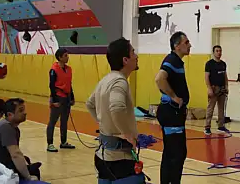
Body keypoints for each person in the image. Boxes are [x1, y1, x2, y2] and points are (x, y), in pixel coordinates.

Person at [86, 37, 144, 183]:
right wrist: (126, 133)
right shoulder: (120, 82)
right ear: (125, 60)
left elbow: (89, 104)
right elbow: (116, 107)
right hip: (119, 160)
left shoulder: (105, 80)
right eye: (133, 52)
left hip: (103, 157)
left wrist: (104, 123)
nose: (136, 56)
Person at [155, 31, 191, 184]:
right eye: (186, 42)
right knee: (176, 153)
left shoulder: (177, 61)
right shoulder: (171, 60)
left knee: (173, 152)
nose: (189, 45)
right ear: (177, 46)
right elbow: (159, 79)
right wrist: (174, 97)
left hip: (175, 113)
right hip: (171, 113)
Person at [0, 98, 42, 181]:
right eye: (21, 110)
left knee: (26, 162)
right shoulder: (6, 127)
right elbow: (15, 154)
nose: (25, 113)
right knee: (33, 171)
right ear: (9, 114)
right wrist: (29, 177)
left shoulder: (12, 128)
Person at [47, 48, 76, 152]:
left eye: (67, 55)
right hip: (58, 96)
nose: (67, 57)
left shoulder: (69, 69)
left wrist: (72, 96)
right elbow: (51, 85)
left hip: (67, 97)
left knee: (64, 121)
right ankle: (50, 144)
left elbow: (69, 83)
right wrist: (54, 100)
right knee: (53, 121)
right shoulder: (54, 69)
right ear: (59, 57)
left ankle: (63, 142)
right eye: (65, 55)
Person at [204, 45, 229, 135]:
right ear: (214, 52)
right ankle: (207, 127)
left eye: (220, 51)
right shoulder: (209, 64)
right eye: (217, 51)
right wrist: (209, 88)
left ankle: (221, 126)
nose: (219, 53)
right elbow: (206, 77)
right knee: (210, 108)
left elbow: (225, 76)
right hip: (214, 88)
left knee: (221, 108)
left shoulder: (223, 64)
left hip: (222, 88)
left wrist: (226, 86)